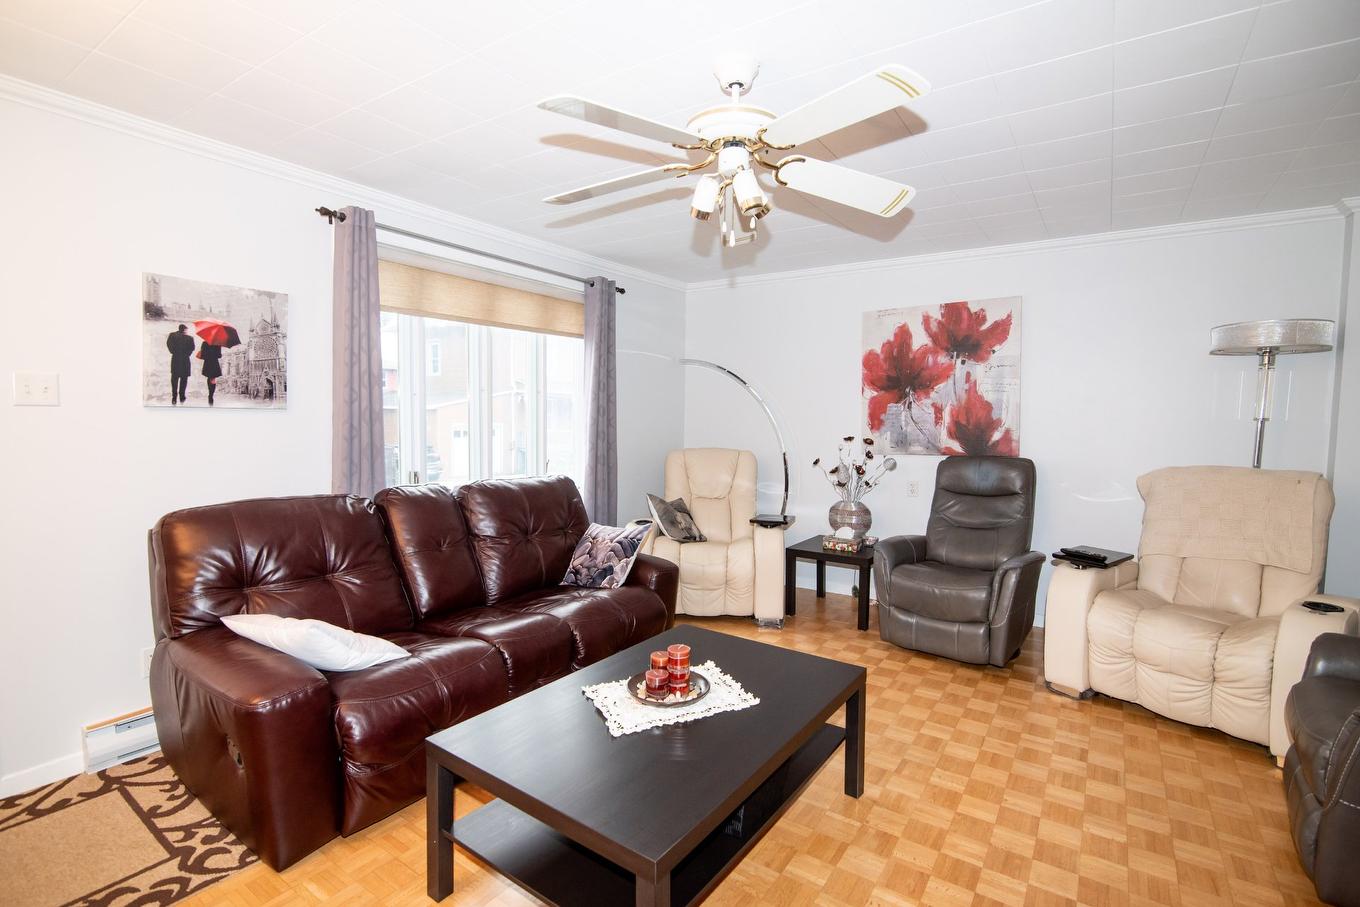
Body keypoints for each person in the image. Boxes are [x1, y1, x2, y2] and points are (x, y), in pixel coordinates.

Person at [165, 324, 194, 405]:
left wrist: (174, 352)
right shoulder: (190, 338)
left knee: (174, 378)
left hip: (175, 359)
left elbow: (169, 345)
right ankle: (182, 396)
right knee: (184, 379)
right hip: (185, 360)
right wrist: (187, 354)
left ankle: (174, 397)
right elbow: (192, 348)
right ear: (184, 329)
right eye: (186, 330)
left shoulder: (172, 335)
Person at [200, 342, 223, 406]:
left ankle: (210, 394)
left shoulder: (204, 343)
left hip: (207, 363)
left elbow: (202, 355)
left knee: (209, 377)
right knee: (213, 379)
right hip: (214, 362)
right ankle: (211, 395)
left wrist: (208, 353)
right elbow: (219, 355)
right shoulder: (217, 344)